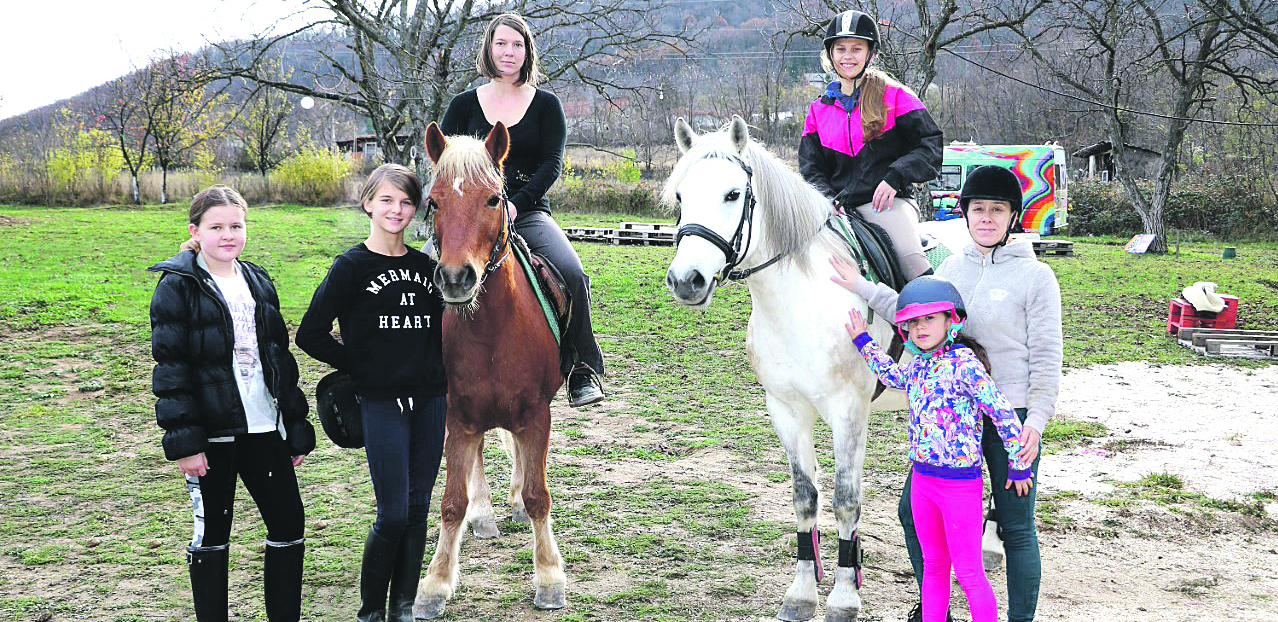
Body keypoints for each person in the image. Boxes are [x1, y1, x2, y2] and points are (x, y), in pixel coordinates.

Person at [832, 164, 1062, 622]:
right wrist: (860, 286)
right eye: (979, 209)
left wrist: (1035, 421)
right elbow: (921, 311)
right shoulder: (953, 266)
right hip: (954, 416)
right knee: (909, 512)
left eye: (998, 210)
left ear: (1012, 216)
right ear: (966, 213)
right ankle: (935, 608)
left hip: (1010, 414)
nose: (987, 218)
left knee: (1015, 526)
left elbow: (1048, 358)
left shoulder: (1037, 278)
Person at [148, 185, 314, 622]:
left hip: (264, 428)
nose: (228, 235)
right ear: (195, 232)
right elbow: (172, 370)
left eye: (236, 225)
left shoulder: (258, 279)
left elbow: (280, 358)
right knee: (213, 534)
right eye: (216, 226)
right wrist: (185, 442)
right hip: (212, 436)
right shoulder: (176, 286)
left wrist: (294, 426)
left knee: (288, 524)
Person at [295, 164, 448, 622]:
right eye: (386, 200)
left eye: (405, 201)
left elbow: (445, 336)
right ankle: (370, 613)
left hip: (430, 401)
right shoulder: (351, 266)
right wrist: (363, 365)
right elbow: (310, 334)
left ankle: (402, 607)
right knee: (393, 513)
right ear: (368, 203)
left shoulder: (427, 267)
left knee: (419, 509)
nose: (396, 209)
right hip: (381, 403)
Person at [440, 12, 606, 407]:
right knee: (429, 271)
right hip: (471, 217)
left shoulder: (547, 105)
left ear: (527, 51)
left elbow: (552, 163)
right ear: (489, 48)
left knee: (573, 272)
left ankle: (582, 366)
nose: (509, 51)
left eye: (517, 44)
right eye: (501, 43)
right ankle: (427, 366)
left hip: (527, 214)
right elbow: (444, 162)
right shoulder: (464, 105)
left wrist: (517, 205)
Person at [844, 275, 1033, 622]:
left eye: (929, 318)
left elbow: (1003, 413)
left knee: (969, 572)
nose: (919, 328)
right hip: (923, 482)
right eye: (912, 322)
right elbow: (892, 377)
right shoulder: (917, 365)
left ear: (951, 320)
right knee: (933, 567)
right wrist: (863, 341)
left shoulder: (965, 365)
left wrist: (1019, 465)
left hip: (959, 486)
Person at [799, 9, 943, 281]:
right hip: (835, 210)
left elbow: (931, 144)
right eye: (840, 49)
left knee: (912, 263)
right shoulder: (818, 110)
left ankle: (931, 315)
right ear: (831, 55)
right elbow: (811, 167)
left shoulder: (896, 96)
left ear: (871, 54)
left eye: (856, 48)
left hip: (887, 205)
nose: (847, 56)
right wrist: (827, 198)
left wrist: (895, 176)